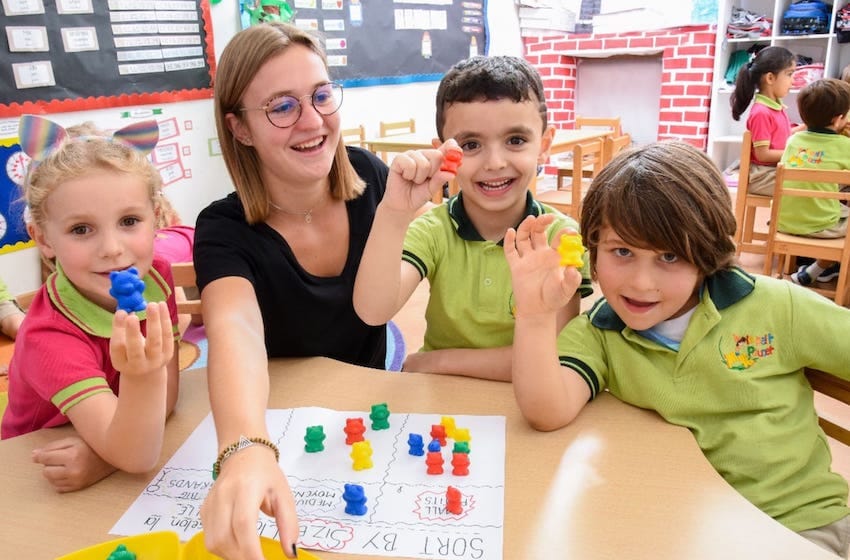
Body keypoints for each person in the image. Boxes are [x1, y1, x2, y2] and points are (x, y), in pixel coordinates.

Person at [504, 140, 850, 558]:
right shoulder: (600, 330)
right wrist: (536, 315)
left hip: (797, 524)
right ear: (593, 247)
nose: (640, 282)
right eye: (622, 251)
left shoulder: (779, 307)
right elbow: (547, 410)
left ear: (706, 252)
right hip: (683, 527)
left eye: (669, 256)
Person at [194, 22, 442, 559]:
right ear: (239, 129)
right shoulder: (223, 228)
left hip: (368, 430)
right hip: (277, 431)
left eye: (321, 95)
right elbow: (234, 327)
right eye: (281, 107)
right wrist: (243, 446)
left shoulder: (375, 181)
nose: (312, 122)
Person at [353, 55, 593, 381]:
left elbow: (552, 356)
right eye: (471, 144)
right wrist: (394, 212)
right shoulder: (433, 230)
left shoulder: (560, 238)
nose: (494, 162)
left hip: (524, 403)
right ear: (444, 152)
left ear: (545, 145)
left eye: (516, 140)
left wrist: (437, 362)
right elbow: (372, 312)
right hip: (440, 404)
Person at [1, 115, 180, 494]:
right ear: (43, 238)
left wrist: (103, 458)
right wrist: (143, 379)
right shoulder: (48, 336)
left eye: (129, 220)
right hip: (34, 470)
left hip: (116, 443)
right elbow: (138, 458)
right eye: (81, 230)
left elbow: (167, 399)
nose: (112, 249)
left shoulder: (157, 278)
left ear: (157, 218)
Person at [778, 78, 850, 286]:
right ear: (838, 120)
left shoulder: (793, 141)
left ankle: (813, 270)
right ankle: (822, 268)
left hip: (784, 221)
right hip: (821, 226)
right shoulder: (845, 145)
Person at [730, 46, 799, 195]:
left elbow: (781, 135)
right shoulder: (761, 112)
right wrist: (796, 153)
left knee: (814, 180)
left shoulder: (776, 107)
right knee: (809, 185)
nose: (792, 81)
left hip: (774, 170)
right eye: (789, 74)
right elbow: (763, 154)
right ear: (770, 78)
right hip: (761, 176)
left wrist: (805, 128)